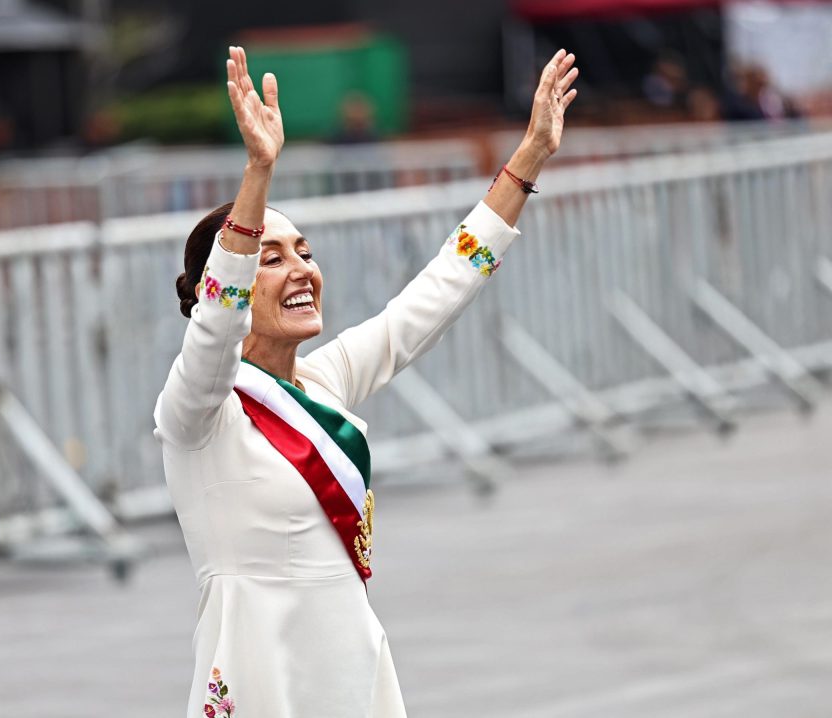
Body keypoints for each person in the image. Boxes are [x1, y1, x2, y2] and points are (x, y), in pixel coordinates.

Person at [154, 45, 578, 717]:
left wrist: (528, 157)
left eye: (306, 253)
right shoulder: (196, 413)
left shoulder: (325, 382)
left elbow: (441, 286)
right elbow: (215, 328)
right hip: (260, 672)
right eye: (270, 258)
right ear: (227, 285)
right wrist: (258, 171)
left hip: (347, 663)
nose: (301, 269)